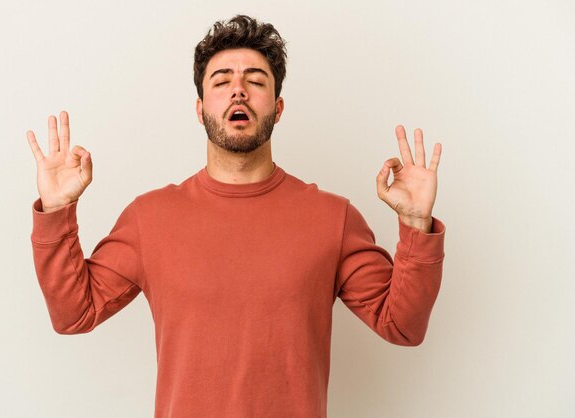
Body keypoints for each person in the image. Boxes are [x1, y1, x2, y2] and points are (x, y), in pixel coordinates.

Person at [26, 14, 445, 418]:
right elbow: (72, 314)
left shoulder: (333, 218)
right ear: (200, 108)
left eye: (256, 81)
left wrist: (415, 225)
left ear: (278, 108)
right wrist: (58, 211)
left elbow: (402, 327)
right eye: (222, 81)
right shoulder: (149, 218)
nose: (238, 91)